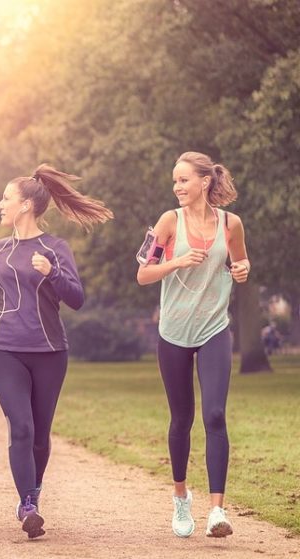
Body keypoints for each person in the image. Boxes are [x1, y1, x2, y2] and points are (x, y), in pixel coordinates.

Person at [0, 164, 112, 539]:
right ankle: (28, 507)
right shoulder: (0, 248)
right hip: (4, 350)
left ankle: (33, 494)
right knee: (21, 428)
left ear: (27, 205)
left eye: (6, 198)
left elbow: (76, 299)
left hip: (49, 352)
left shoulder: (55, 248)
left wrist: (52, 272)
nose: (0, 204)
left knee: (41, 437)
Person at [136, 151, 250, 539]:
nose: (177, 187)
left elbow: (239, 265)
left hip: (215, 328)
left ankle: (217, 511)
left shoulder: (231, 224)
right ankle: (181, 497)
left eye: (184, 180)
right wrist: (177, 262)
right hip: (174, 333)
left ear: (204, 181)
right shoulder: (169, 221)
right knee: (181, 418)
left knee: (215, 415)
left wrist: (242, 269)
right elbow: (143, 273)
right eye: (175, 181)